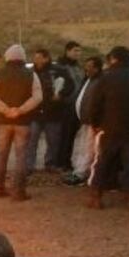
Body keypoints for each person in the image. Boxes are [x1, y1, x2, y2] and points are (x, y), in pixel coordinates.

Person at [86, 46, 129, 210]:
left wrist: (95, 123)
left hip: (109, 127)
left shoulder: (106, 78)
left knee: (102, 162)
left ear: (114, 58)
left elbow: (96, 104)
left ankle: (96, 197)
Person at [0, 44, 42, 201]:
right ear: (23, 57)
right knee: (21, 156)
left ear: (7, 57)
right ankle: (19, 191)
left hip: (2, 121)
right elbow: (37, 97)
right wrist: (20, 110)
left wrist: (5, 110)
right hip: (23, 122)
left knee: (1, 154)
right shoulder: (32, 75)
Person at [25, 48, 72, 173]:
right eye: (35, 58)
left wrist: (60, 95)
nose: (36, 61)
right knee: (31, 141)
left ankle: (50, 164)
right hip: (34, 113)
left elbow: (70, 86)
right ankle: (29, 166)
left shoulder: (59, 71)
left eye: (39, 58)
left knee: (53, 141)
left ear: (46, 58)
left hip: (53, 112)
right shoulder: (29, 72)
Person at [62, 55, 103, 186]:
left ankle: (82, 174)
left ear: (97, 68)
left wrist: (95, 121)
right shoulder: (88, 80)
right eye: (86, 67)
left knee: (89, 149)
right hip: (84, 121)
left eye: (90, 67)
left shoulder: (99, 82)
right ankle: (78, 171)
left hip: (93, 122)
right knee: (81, 147)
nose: (87, 69)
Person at [55, 41, 84, 169]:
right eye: (75, 51)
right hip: (65, 106)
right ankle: (61, 162)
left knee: (71, 136)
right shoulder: (60, 67)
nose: (77, 53)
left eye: (79, 51)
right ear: (67, 51)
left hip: (76, 107)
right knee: (63, 136)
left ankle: (66, 161)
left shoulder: (78, 67)